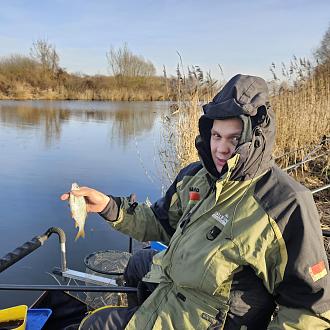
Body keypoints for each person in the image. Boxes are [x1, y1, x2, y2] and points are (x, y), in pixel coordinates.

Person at [61, 74, 330, 329]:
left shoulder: (285, 202)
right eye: (216, 136)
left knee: (95, 324)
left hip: (211, 318)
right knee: (138, 262)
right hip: (178, 283)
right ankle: (144, 315)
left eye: (234, 138)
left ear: (255, 140)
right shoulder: (196, 176)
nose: (221, 149)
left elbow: (310, 309)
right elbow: (160, 222)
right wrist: (108, 206)